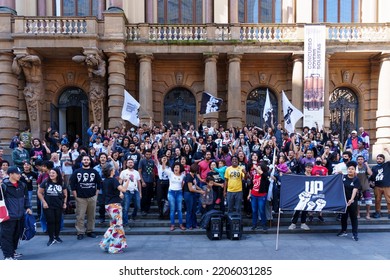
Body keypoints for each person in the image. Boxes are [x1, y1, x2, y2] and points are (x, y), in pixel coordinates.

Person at [0, 166, 32, 260]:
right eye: (17, 173)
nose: (19, 175)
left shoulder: (22, 185)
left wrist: (28, 207)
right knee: (6, 237)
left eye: (19, 173)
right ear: (10, 174)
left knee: (16, 236)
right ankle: (7, 256)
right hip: (8, 216)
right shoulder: (3, 185)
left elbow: (26, 198)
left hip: (20, 215)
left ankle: (12, 252)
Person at [70, 155, 102, 240]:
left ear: (90, 161)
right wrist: (75, 195)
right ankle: (80, 232)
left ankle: (90, 231)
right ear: (82, 161)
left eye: (87, 159)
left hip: (92, 197)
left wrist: (96, 194)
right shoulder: (77, 172)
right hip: (80, 197)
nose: (86, 161)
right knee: (80, 216)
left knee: (91, 216)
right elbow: (72, 184)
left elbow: (99, 183)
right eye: (84, 160)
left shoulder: (94, 172)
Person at [99, 164, 129, 254]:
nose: (114, 171)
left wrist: (119, 194)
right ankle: (114, 247)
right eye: (113, 170)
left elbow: (112, 192)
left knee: (113, 225)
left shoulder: (104, 181)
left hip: (108, 205)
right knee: (118, 226)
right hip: (115, 206)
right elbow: (123, 189)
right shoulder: (113, 180)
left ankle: (105, 244)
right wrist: (127, 182)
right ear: (111, 171)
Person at [37, 168, 67, 246]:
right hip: (48, 205)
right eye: (50, 173)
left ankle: (57, 236)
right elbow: (39, 193)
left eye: (53, 173)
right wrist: (43, 202)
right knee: (50, 222)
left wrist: (65, 203)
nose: (51, 174)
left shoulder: (61, 182)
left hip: (58, 205)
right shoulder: (46, 181)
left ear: (57, 174)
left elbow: (65, 194)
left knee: (58, 221)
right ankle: (51, 238)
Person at [337, 161, 360, 241]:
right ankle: (343, 231)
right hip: (343, 200)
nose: (350, 170)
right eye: (349, 169)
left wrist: (351, 199)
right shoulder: (343, 177)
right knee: (344, 216)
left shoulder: (356, 179)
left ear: (355, 170)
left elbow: (355, 189)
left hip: (352, 201)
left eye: (352, 169)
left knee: (354, 217)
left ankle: (355, 234)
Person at [162, 161, 186, 231]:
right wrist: (164, 162)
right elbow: (163, 168)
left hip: (179, 193)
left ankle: (181, 224)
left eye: (178, 167)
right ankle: (172, 225)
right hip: (171, 193)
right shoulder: (170, 174)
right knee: (172, 210)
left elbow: (183, 184)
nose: (176, 168)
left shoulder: (182, 175)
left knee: (179, 210)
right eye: (175, 167)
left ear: (180, 168)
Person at [288, 163, 312, 231]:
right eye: (308, 167)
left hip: (308, 195)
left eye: (310, 168)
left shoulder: (313, 177)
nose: (309, 169)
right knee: (297, 209)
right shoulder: (301, 175)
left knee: (305, 210)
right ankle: (293, 223)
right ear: (305, 168)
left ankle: (303, 223)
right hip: (300, 195)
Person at [247, 162, 270, 231]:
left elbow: (264, 175)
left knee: (261, 210)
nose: (257, 170)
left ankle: (264, 224)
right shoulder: (254, 176)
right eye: (257, 169)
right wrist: (249, 194)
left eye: (259, 169)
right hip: (254, 194)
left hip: (261, 195)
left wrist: (256, 167)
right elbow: (251, 186)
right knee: (254, 210)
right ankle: (254, 224)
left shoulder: (265, 175)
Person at [119, 159, 142, 227]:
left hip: (135, 191)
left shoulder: (136, 172)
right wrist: (121, 192)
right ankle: (125, 223)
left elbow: (139, 182)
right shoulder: (123, 172)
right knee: (126, 208)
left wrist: (140, 192)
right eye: (129, 162)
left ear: (133, 164)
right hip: (126, 191)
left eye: (131, 162)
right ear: (126, 164)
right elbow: (120, 183)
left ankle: (133, 216)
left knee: (138, 206)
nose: (130, 164)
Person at [370, 148, 390, 219]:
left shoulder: (387, 165)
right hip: (377, 186)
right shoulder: (374, 168)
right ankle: (377, 212)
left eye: (380, 159)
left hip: (387, 186)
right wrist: (371, 183)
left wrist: (388, 151)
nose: (379, 160)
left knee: (389, 200)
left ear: (383, 160)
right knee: (377, 200)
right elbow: (372, 177)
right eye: (378, 159)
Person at [183, 164, 204, 230]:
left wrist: (200, 189)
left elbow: (195, 185)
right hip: (188, 194)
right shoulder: (188, 176)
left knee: (193, 210)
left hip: (193, 194)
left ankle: (194, 224)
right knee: (189, 210)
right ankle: (189, 225)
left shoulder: (194, 176)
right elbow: (190, 189)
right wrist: (200, 192)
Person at [138, 149, 155, 216]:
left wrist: (153, 180)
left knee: (149, 196)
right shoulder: (142, 161)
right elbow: (139, 171)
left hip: (150, 181)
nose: (148, 155)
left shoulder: (152, 161)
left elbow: (153, 171)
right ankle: (143, 209)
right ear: (145, 154)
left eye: (149, 154)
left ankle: (147, 209)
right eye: (147, 154)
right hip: (144, 180)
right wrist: (142, 181)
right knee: (144, 196)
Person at [356, 155, 373, 220]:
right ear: (357, 160)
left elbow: (370, 173)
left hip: (366, 186)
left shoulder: (365, 167)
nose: (360, 160)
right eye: (359, 159)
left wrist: (367, 165)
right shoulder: (355, 167)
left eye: (361, 159)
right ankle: (358, 213)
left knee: (368, 202)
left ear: (363, 160)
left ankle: (368, 214)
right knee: (358, 202)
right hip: (357, 187)